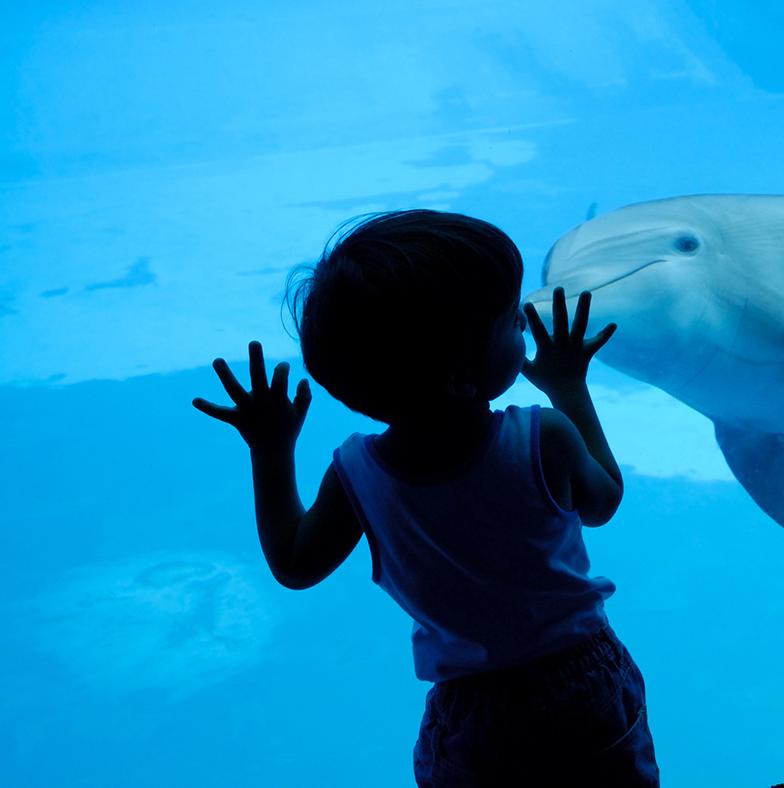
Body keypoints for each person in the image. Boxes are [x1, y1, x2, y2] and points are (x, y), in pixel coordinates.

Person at [193, 210, 659, 787]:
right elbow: (603, 501)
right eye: (510, 322)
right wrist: (567, 385)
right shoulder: (543, 437)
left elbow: (293, 563)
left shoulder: (357, 474)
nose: (523, 319)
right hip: (581, 686)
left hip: (474, 714)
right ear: (462, 378)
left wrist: (270, 448)